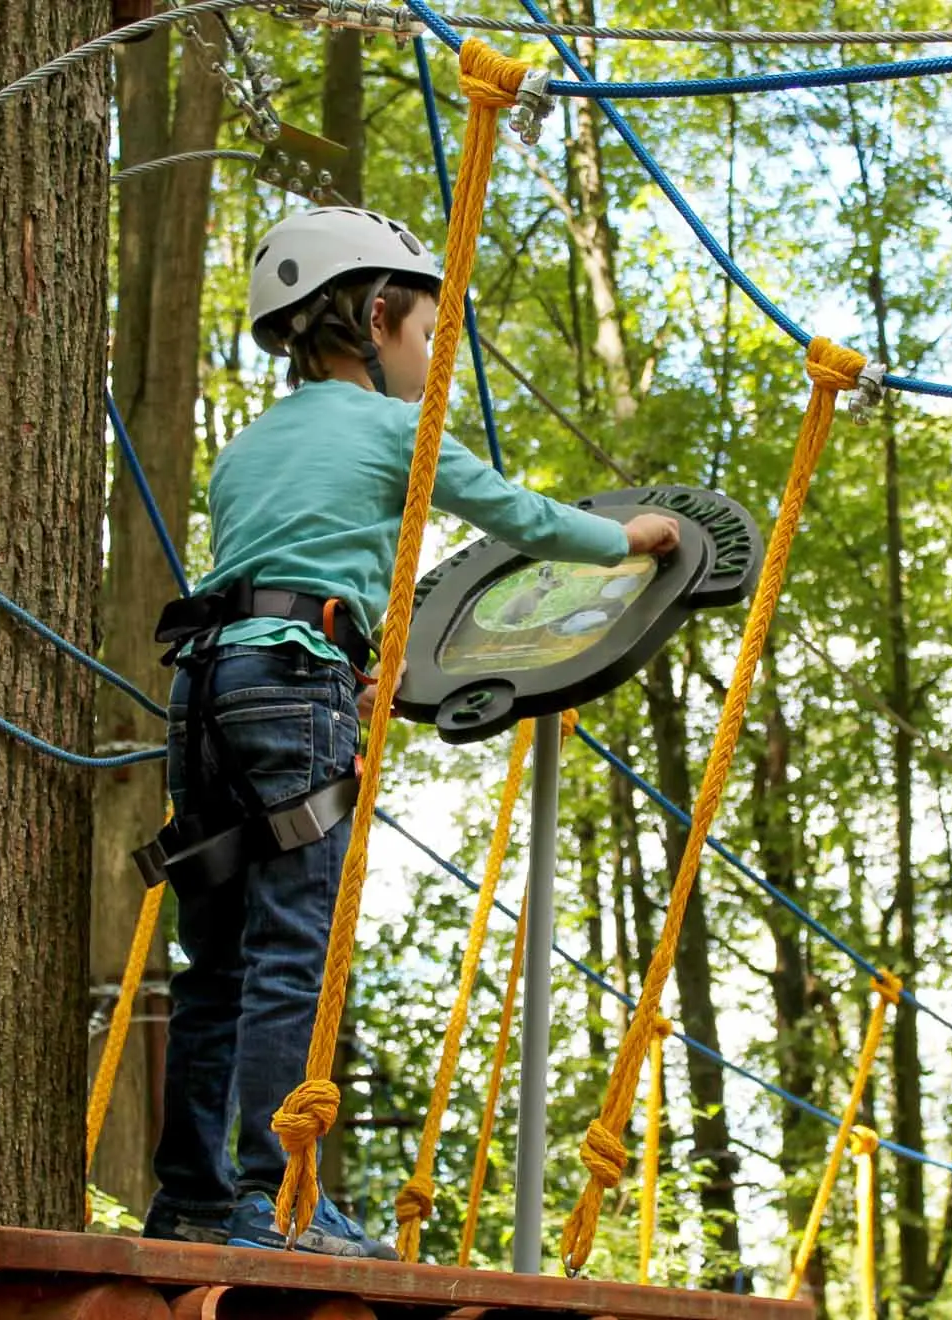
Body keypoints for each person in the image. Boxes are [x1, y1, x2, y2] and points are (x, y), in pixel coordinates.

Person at [141, 207, 679, 1257]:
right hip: (294, 692)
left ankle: (194, 1195)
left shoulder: (247, 449)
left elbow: (291, 557)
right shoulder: (397, 430)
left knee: (215, 962)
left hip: (205, 689)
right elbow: (517, 515)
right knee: (294, 945)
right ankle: (274, 1196)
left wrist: (365, 648)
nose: (430, 360)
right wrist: (624, 537)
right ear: (379, 314)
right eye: (426, 335)